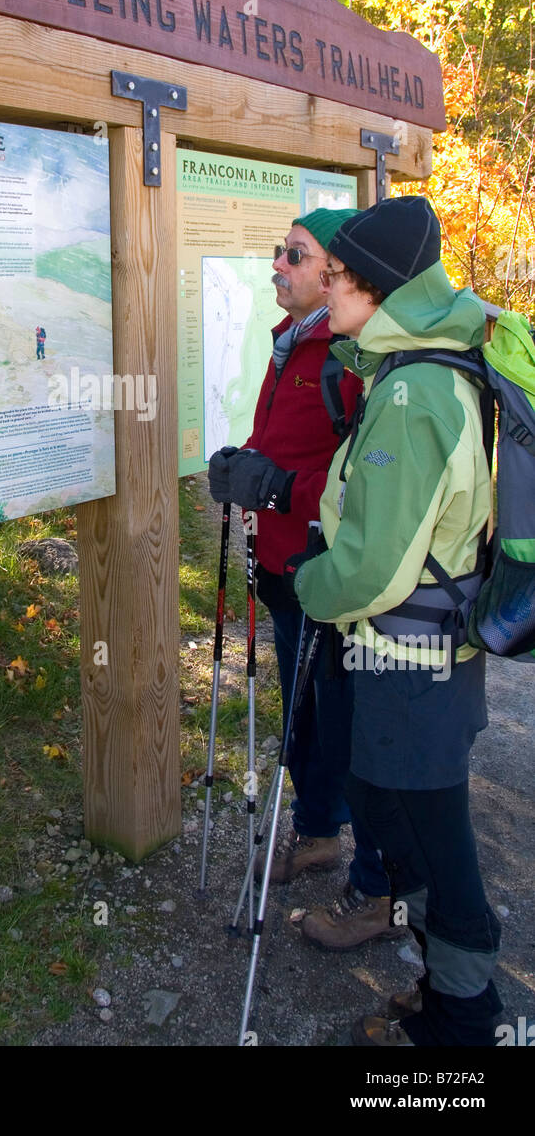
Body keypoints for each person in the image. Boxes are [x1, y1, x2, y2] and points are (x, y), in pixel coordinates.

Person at [291, 195, 501, 1046]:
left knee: (432, 839)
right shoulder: (419, 370)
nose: (328, 289)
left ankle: (461, 1022)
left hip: (412, 669)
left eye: (337, 276)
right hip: (420, 663)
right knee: (400, 816)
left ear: (377, 289)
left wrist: (310, 584)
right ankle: (447, 989)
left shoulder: (414, 396)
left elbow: (373, 568)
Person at [208, 208, 394, 946]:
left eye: (296, 254)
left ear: (334, 273)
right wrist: (246, 463)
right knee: (304, 717)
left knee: (351, 726)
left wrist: (278, 485)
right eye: (279, 251)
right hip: (284, 574)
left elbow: (365, 488)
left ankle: (375, 884)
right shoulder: (293, 342)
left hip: (332, 578)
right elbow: (284, 443)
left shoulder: (350, 357)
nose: (278, 264)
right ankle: (318, 833)